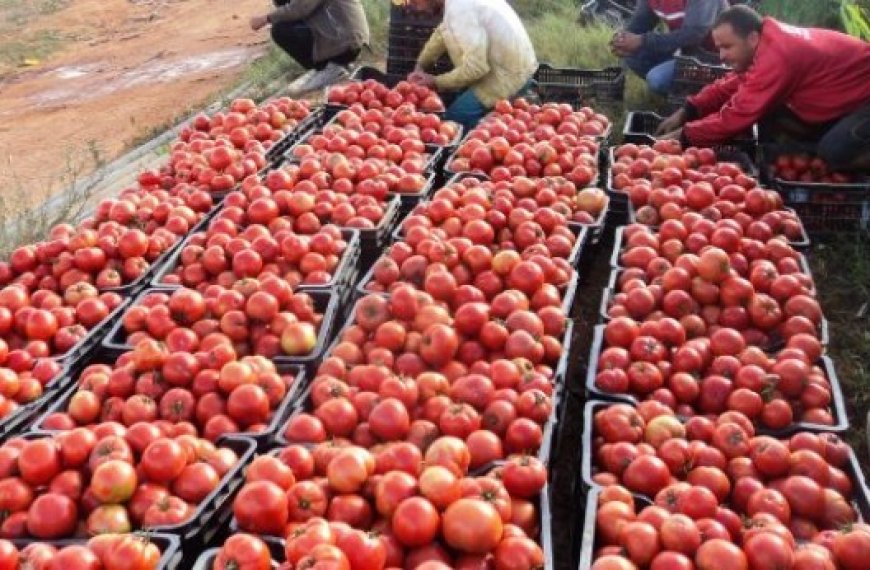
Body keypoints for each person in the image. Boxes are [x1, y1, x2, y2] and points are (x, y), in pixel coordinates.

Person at [657, 5, 870, 170]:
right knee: (772, 111)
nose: (721, 56)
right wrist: (689, 109)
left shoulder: (778, 57)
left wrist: (683, 136)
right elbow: (731, 84)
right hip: (846, 96)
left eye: (727, 47)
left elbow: (735, 117)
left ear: (752, 38)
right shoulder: (767, 41)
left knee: (833, 152)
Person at [406, 0, 537, 132]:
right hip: (505, 69)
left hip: (506, 77)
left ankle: (490, 131)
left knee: (454, 121)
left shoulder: (462, 10)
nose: (412, 5)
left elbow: (476, 68)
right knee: (455, 102)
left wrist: (435, 81)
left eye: (413, 1)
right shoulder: (456, 5)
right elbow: (443, 32)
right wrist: (420, 64)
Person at [250, 0, 370, 96]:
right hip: (346, 39)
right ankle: (330, 66)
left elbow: (299, 8)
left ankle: (330, 68)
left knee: (280, 30)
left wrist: (266, 19)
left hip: (345, 40)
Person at [611, 0, 729, 95]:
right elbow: (640, 23)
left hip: (713, 59)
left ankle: (701, 97)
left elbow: (693, 34)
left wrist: (643, 40)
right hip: (684, 52)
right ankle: (682, 95)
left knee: (657, 78)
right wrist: (624, 40)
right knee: (633, 55)